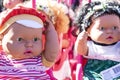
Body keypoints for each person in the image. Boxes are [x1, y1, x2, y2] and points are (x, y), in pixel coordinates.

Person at [0, 5, 59, 79]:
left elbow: (52, 53)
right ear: (2, 38)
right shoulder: (2, 61)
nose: (29, 44)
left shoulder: (39, 61)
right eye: (20, 39)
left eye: (35, 39)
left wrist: (51, 31)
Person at [74, 1, 120, 80]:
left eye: (115, 28)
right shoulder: (91, 46)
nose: (109, 31)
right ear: (88, 31)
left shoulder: (118, 45)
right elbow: (81, 51)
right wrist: (81, 41)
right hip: (94, 74)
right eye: (102, 28)